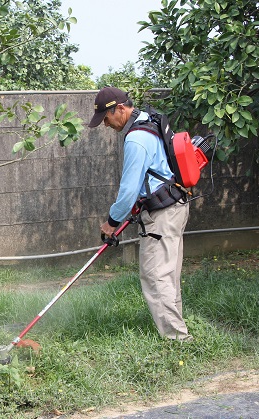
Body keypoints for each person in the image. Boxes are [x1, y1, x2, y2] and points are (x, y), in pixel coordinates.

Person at [88, 86, 192, 341]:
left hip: (163, 214)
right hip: (175, 205)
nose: (105, 124)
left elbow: (129, 188)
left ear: (120, 109)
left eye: (106, 118)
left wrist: (112, 221)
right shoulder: (150, 121)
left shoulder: (136, 138)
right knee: (168, 273)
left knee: (155, 275)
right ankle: (176, 330)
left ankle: (177, 339)